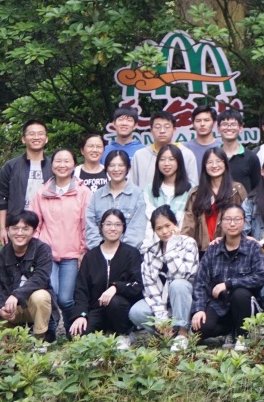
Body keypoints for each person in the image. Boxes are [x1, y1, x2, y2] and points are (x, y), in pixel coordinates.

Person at [191, 204, 264, 349]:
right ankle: (229, 329)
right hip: (219, 304)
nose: (232, 224)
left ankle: (242, 337)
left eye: (237, 219)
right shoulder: (213, 249)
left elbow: (259, 278)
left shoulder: (252, 247)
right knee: (200, 329)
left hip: (245, 304)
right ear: (221, 222)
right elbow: (200, 282)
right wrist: (198, 309)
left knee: (240, 293)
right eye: (228, 219)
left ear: (244, 222)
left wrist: (228, 284)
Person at [67, 209, 143, 348]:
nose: (113, 228)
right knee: (77, 335)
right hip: (97, 309)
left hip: (120, 308)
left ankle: (124, 334)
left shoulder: (132, 254)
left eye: (118, 224)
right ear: (101, 227)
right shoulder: (90, 257)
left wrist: (116, 287)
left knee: (115, 302)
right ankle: (104, 333)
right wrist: (80, 315)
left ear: (123, 228)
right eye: (108, 224)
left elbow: (137, 285)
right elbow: (81, 290)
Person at [0, 210, 54, 345]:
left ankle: (39, 341)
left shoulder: (42, 250)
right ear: (8, 230)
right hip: (8, 308)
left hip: (31, 306)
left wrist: (16, 295)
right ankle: (0, 348)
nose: (19, 233)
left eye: (25, 228)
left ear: (34, 231)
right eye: (15, 228)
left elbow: (40, 278)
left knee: (41, 296)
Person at [128, 206, 198, 350]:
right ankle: (167, 335)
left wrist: (172, 247)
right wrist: (161, 317)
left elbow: (182, 275)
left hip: (183, 299)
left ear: (175, 224)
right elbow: (150, 286)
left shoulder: (189, 243)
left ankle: (183, 333)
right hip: (161, 302)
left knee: (178, 284)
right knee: (136, 312)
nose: (165, 231)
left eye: (168, 225)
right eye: (159, 228)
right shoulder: (151, 251)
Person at [35, 148, 92, 320]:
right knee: (51, 294)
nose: (62, 165)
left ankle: (71, 327)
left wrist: (83, 250)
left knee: (65, 299)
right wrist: (36, 249)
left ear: (74, 165)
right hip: (47, 254)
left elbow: (87, 224)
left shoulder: (83, 192)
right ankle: (51, 329)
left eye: (67, 161)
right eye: (58, 161)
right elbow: (35, 224)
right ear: (52, 165)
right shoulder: (42, 192)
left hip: (72, 254)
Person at [0, 120, 52, 245]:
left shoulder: (54, 166)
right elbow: (2, 199)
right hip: (18, 225)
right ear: (23, 139)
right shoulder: (11, 166)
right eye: (31, 134)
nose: (36, 137)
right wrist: (3, 228)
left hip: (48, 226)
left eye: (40, 134)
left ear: (46, 138)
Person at [181, 148, 248, 246]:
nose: (214, 165)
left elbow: (246, 219)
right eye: (210, 162)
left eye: (218, 161)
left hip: (230, 247)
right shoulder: (196, 193)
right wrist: (183, 243)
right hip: (203, 247)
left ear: (225, 164)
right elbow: (189, 223)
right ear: (204, 166)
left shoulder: (237, 190)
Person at [85, 149, 147, 250]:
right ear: (106, 168)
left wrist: (120, 253)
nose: (116, 169)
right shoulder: (97, 196)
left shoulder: (138, 195)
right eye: (112, 165)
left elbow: (137, 230)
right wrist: (101, 251)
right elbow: (90, 227)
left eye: (121, 165)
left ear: (128, 168)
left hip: (128, 254)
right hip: (99, 254)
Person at [131, 111, 199, 188]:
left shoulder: (186, 154)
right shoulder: (140, 155)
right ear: (151, 131)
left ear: (174, 130)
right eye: (157, 127)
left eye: (167, 127)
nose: (162, 131)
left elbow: (193, 187)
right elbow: (133, 186)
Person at [144, 145, 194, 241]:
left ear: (179, 162)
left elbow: (191, 223)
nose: (166, 163)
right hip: (155, 244)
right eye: (162, 159)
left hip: (183, 243)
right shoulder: (149, 189)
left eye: (171, 159)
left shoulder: (191, 190)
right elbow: (148, 224)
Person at [216, 109, 261, 193]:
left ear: (240, 128)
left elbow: (257, 188)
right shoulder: (213, 156)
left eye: (233, 124)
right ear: (218, 128)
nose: (229, 128)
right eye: (225, 124)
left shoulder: (251, 157)